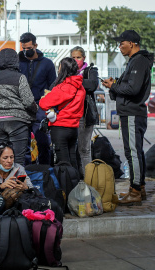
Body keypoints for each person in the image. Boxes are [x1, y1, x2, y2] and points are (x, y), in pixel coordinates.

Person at [102, 30, 153, 205]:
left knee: (132, 152)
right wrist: (114, 86)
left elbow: (133, 89)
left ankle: (136, 190)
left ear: (131, 43)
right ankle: (139, 188)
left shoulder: (139, 61)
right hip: (130, 112)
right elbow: (129, 87)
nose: (120, 46)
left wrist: (114, 85)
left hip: (132, 113)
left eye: (122, 43)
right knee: (135, 152)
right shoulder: (135, 61)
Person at [0, 48, 38, 165]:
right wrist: (35, 109)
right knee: (17, 158)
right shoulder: (19, 77)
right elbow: (28, 101)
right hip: (17, 122)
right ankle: (17, 182)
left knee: (4, 158)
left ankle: (4, 182)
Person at [39, 57, 85, 170]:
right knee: (72, 159)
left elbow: (43, 103)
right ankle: (75, 185)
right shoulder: (81, 87)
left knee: (62, 163)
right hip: (74, 128)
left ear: (63, 69)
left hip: (60, 128)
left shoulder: (62, 87)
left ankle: (65, 186)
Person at [18, 32, 57, 165]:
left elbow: (53, 86)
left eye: (28, 48)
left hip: (41, 108)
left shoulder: (47, 63)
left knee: (43, 142)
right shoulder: (18, 63)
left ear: (35, 45)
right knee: (23, 143)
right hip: (22, 108)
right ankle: (27, 173)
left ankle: (45, 171)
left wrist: (52, 109)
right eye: (23, 48)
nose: (26, 51)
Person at [70, 46, 99, 176]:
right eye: (73, 58)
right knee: (72, 149)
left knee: (84, 149)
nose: (76, 60)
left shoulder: (90, 70)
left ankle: (89, 178)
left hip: (85, 115)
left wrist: (73, 81)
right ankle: (75, 177)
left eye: (78, 57)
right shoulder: (67, 71)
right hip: (70, 115)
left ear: (84, 58)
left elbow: (92, 85)